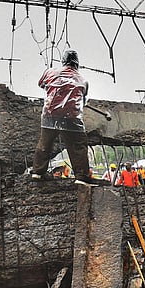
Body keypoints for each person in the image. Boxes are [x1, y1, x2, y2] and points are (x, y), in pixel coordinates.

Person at [29, 49, 105, 186]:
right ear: (77, 64)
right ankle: (81, 177)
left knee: (44, 143)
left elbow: (41, 84)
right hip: (72, 117)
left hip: (49, 113)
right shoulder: (83, 80)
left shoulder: (50, 72)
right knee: (78, 145)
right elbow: (82, 100)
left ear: (63, 61)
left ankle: (37, 172)